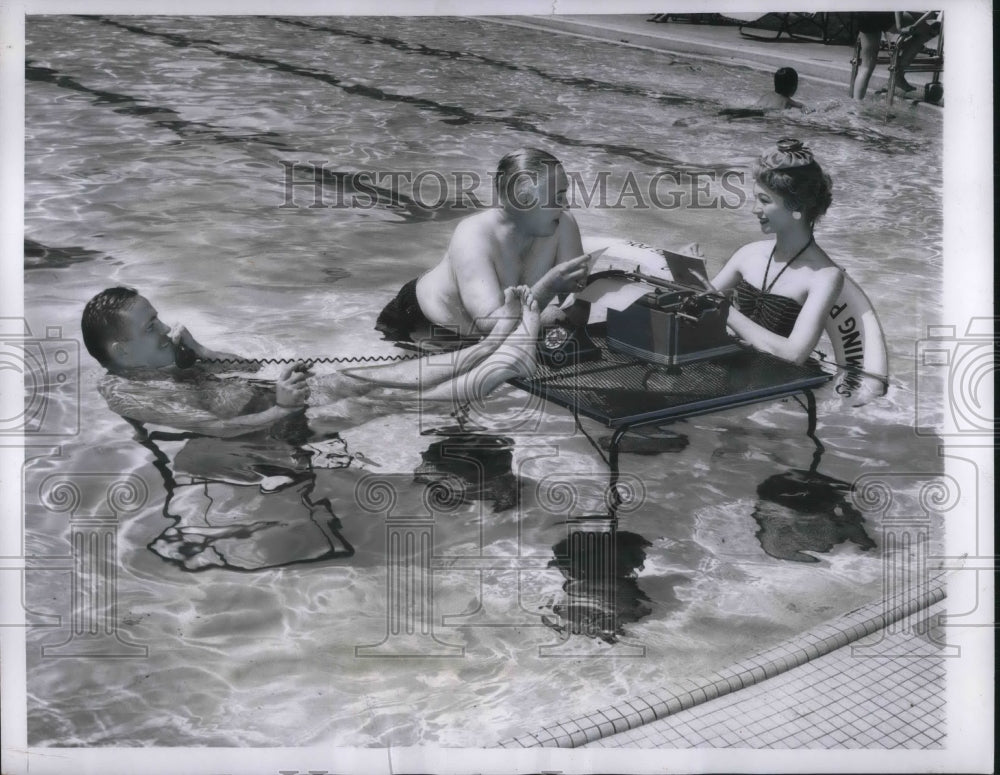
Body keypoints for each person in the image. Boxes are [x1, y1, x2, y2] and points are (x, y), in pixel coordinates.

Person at [82, 285, 541, 438]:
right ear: (121, 352)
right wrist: (281, 408)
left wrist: (200, 352)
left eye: (158, 318)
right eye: (151, 328)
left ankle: (489, 345)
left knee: (358, 376)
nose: (165, 329)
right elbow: (214, 429)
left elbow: (242, 368)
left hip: (274, 399)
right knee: (386, 400)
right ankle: (505, 364)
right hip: (269, 431)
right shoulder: (125, 390)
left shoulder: (168, 357)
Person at [376, 147, 592, 341]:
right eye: (558, 196)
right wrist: (548, 287)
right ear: (525, 201)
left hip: (491, 336)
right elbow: (489, 324)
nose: (566, 204)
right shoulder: (474, 235)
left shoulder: (562, 222)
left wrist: (585, 292)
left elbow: (577, 307)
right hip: (424, 324)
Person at [706, 138, 843, 365]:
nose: (754, 209)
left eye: (764, 201)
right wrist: (690, 272)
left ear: (796, 206)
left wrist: (724, 309)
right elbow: (700, 305)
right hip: (722, 366)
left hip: (770, 385)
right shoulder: (748, 254)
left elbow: (794, 354)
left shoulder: (825, 276)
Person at [851, 11, 941, 100]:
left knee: (866, 66)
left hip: (864, 15)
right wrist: (899, 26)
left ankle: (856, 108)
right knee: (929, 30)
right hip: (884, 14)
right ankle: (898, 73)